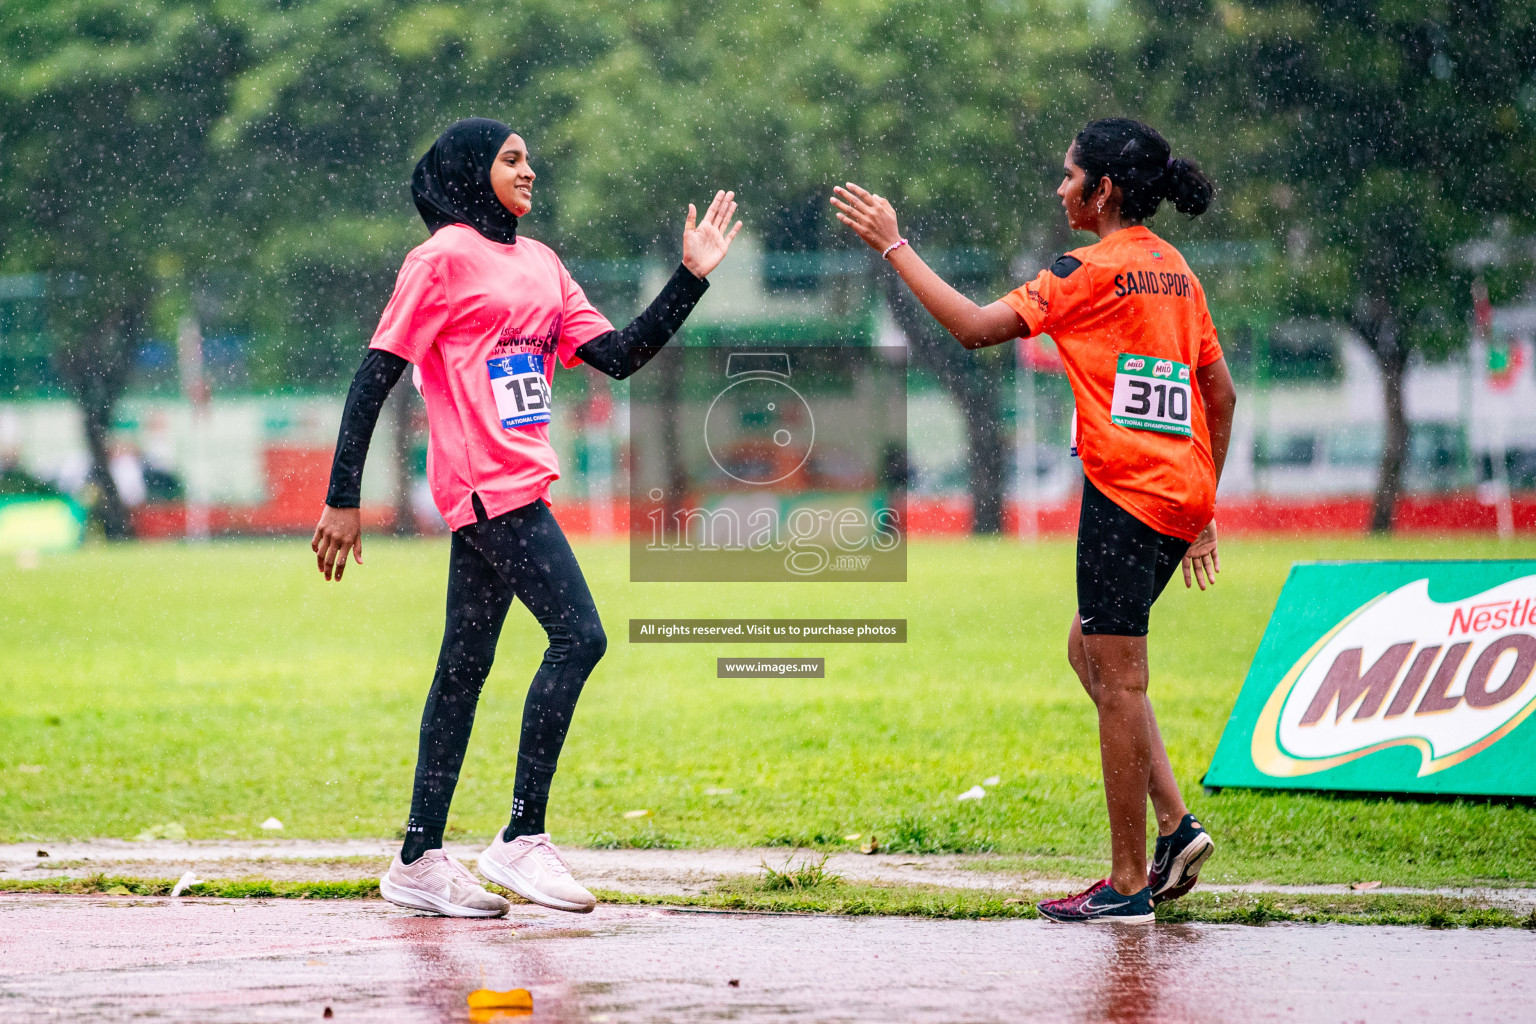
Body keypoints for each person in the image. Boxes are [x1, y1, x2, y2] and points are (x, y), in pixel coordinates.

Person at [312, 118, 740, 918]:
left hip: (519, 486)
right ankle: (519, 839)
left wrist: (690, 278)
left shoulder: (541, 263)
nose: (529, 170)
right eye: (511, 159)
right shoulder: (438, 260)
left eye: (530, 159)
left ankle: (417, 859)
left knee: (463, 670)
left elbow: (618, 354)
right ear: (471, 171)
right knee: (580, 637)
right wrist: (344, 496)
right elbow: (375, 376)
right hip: (486, 488)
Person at [832, 117, 1237, 924]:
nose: (1060, 189)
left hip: (1123, 498)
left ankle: (1127, 886)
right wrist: (1202, 504)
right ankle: (1175, 825)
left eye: (1069, 175)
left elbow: (975, 329)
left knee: (1120, 683)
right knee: (1085, 648)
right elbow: (1218, 396)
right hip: (1177, 496)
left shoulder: (1085, 271)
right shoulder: (1177, 272)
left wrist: (893, 245)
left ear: (1105, 190)